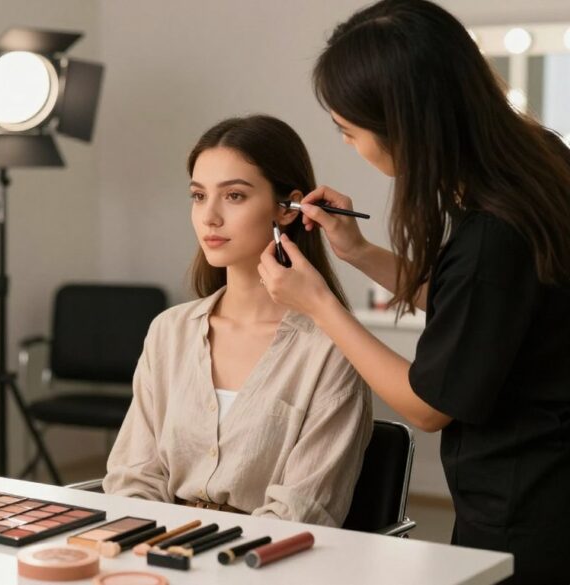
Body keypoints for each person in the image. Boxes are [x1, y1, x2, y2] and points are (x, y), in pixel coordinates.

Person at [256, 1, 570, 582]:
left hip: (528, 511)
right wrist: (359, 252)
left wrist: (319, 302)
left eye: (348, 130)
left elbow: (429, 405)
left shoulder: (492, 231)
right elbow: (479, 315)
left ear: (402, 123)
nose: (349, 145)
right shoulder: (536, 163)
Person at [104, 115, 372, 527]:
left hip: (263, 563)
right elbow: (133, 477)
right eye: (198, 196)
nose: (209, 216)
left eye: (233, 196)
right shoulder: (169, 332)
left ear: (286, 210)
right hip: (156, 553)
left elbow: (302, 512)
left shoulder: (330, 349)